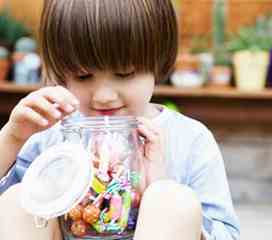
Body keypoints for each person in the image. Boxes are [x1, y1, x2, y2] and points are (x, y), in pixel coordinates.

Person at [0, 0, 240, 239]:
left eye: (124, 73)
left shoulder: (189, 139)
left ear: (158, 62)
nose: (103, 96)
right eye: (83, 76)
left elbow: (226, 234)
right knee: (19, 201)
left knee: (172, 199)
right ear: (63, 73)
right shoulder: (50, 135)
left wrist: (159, 190)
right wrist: (12, 138)